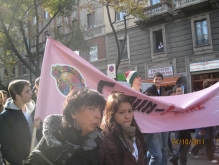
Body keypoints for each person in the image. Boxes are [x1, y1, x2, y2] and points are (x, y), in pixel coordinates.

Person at [23, 88, 106, 165]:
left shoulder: (103, 140)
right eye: (91, 108)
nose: (98, 116)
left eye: (100, 110)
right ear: (73, 112)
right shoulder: (54, 139)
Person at [125, 71, 162, 165]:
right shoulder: (129, 96)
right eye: (137, 76)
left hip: (150, 130)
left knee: (158, 155)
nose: (140, 77)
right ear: (132, 80)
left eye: (140, 75)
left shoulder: (144, 95)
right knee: (141, 157)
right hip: (139, 131)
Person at [0, 80, 40, 165]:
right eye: (27, 91)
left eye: (30, 90)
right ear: (18, 96)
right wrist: (21, 163)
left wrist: (40, 127)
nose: (31, 93)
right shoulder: (5, 117)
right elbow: (6, 147)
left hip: (38, 159)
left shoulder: (35, 110)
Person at [99, 92, 146, 165]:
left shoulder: (136, 133)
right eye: (121, 112)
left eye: (130, 111)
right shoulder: (105, 139)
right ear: (111, 114)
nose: (127, 116)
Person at [189, 79, 218, 164]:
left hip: (208, 121)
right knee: (207, 139)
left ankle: (194, 151)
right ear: (207, 85)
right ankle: (210, 158)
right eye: (211, 84)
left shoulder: (209, 94)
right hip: (204, 122)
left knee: (203, 140)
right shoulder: (203, 95)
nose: (212, 85)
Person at [145, 72, 168, 165]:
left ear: (162, 81)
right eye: (156, 79)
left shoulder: (164, 92)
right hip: (154, 123)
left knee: (164, 147)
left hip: (165, 122)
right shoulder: (148, 92)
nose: (158, 81)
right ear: (153, 80)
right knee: (157, 148)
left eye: (159, 79)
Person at [169, 85, 191, 165]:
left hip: (185, 126)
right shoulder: (173, 103)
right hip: (179, 128)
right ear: (174, 93)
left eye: (181, 90)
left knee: (187, 144)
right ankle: (182, 163)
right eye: (178, 91)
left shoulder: (184, 100)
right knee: (183, 147)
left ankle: (174, 157)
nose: (180, 92)